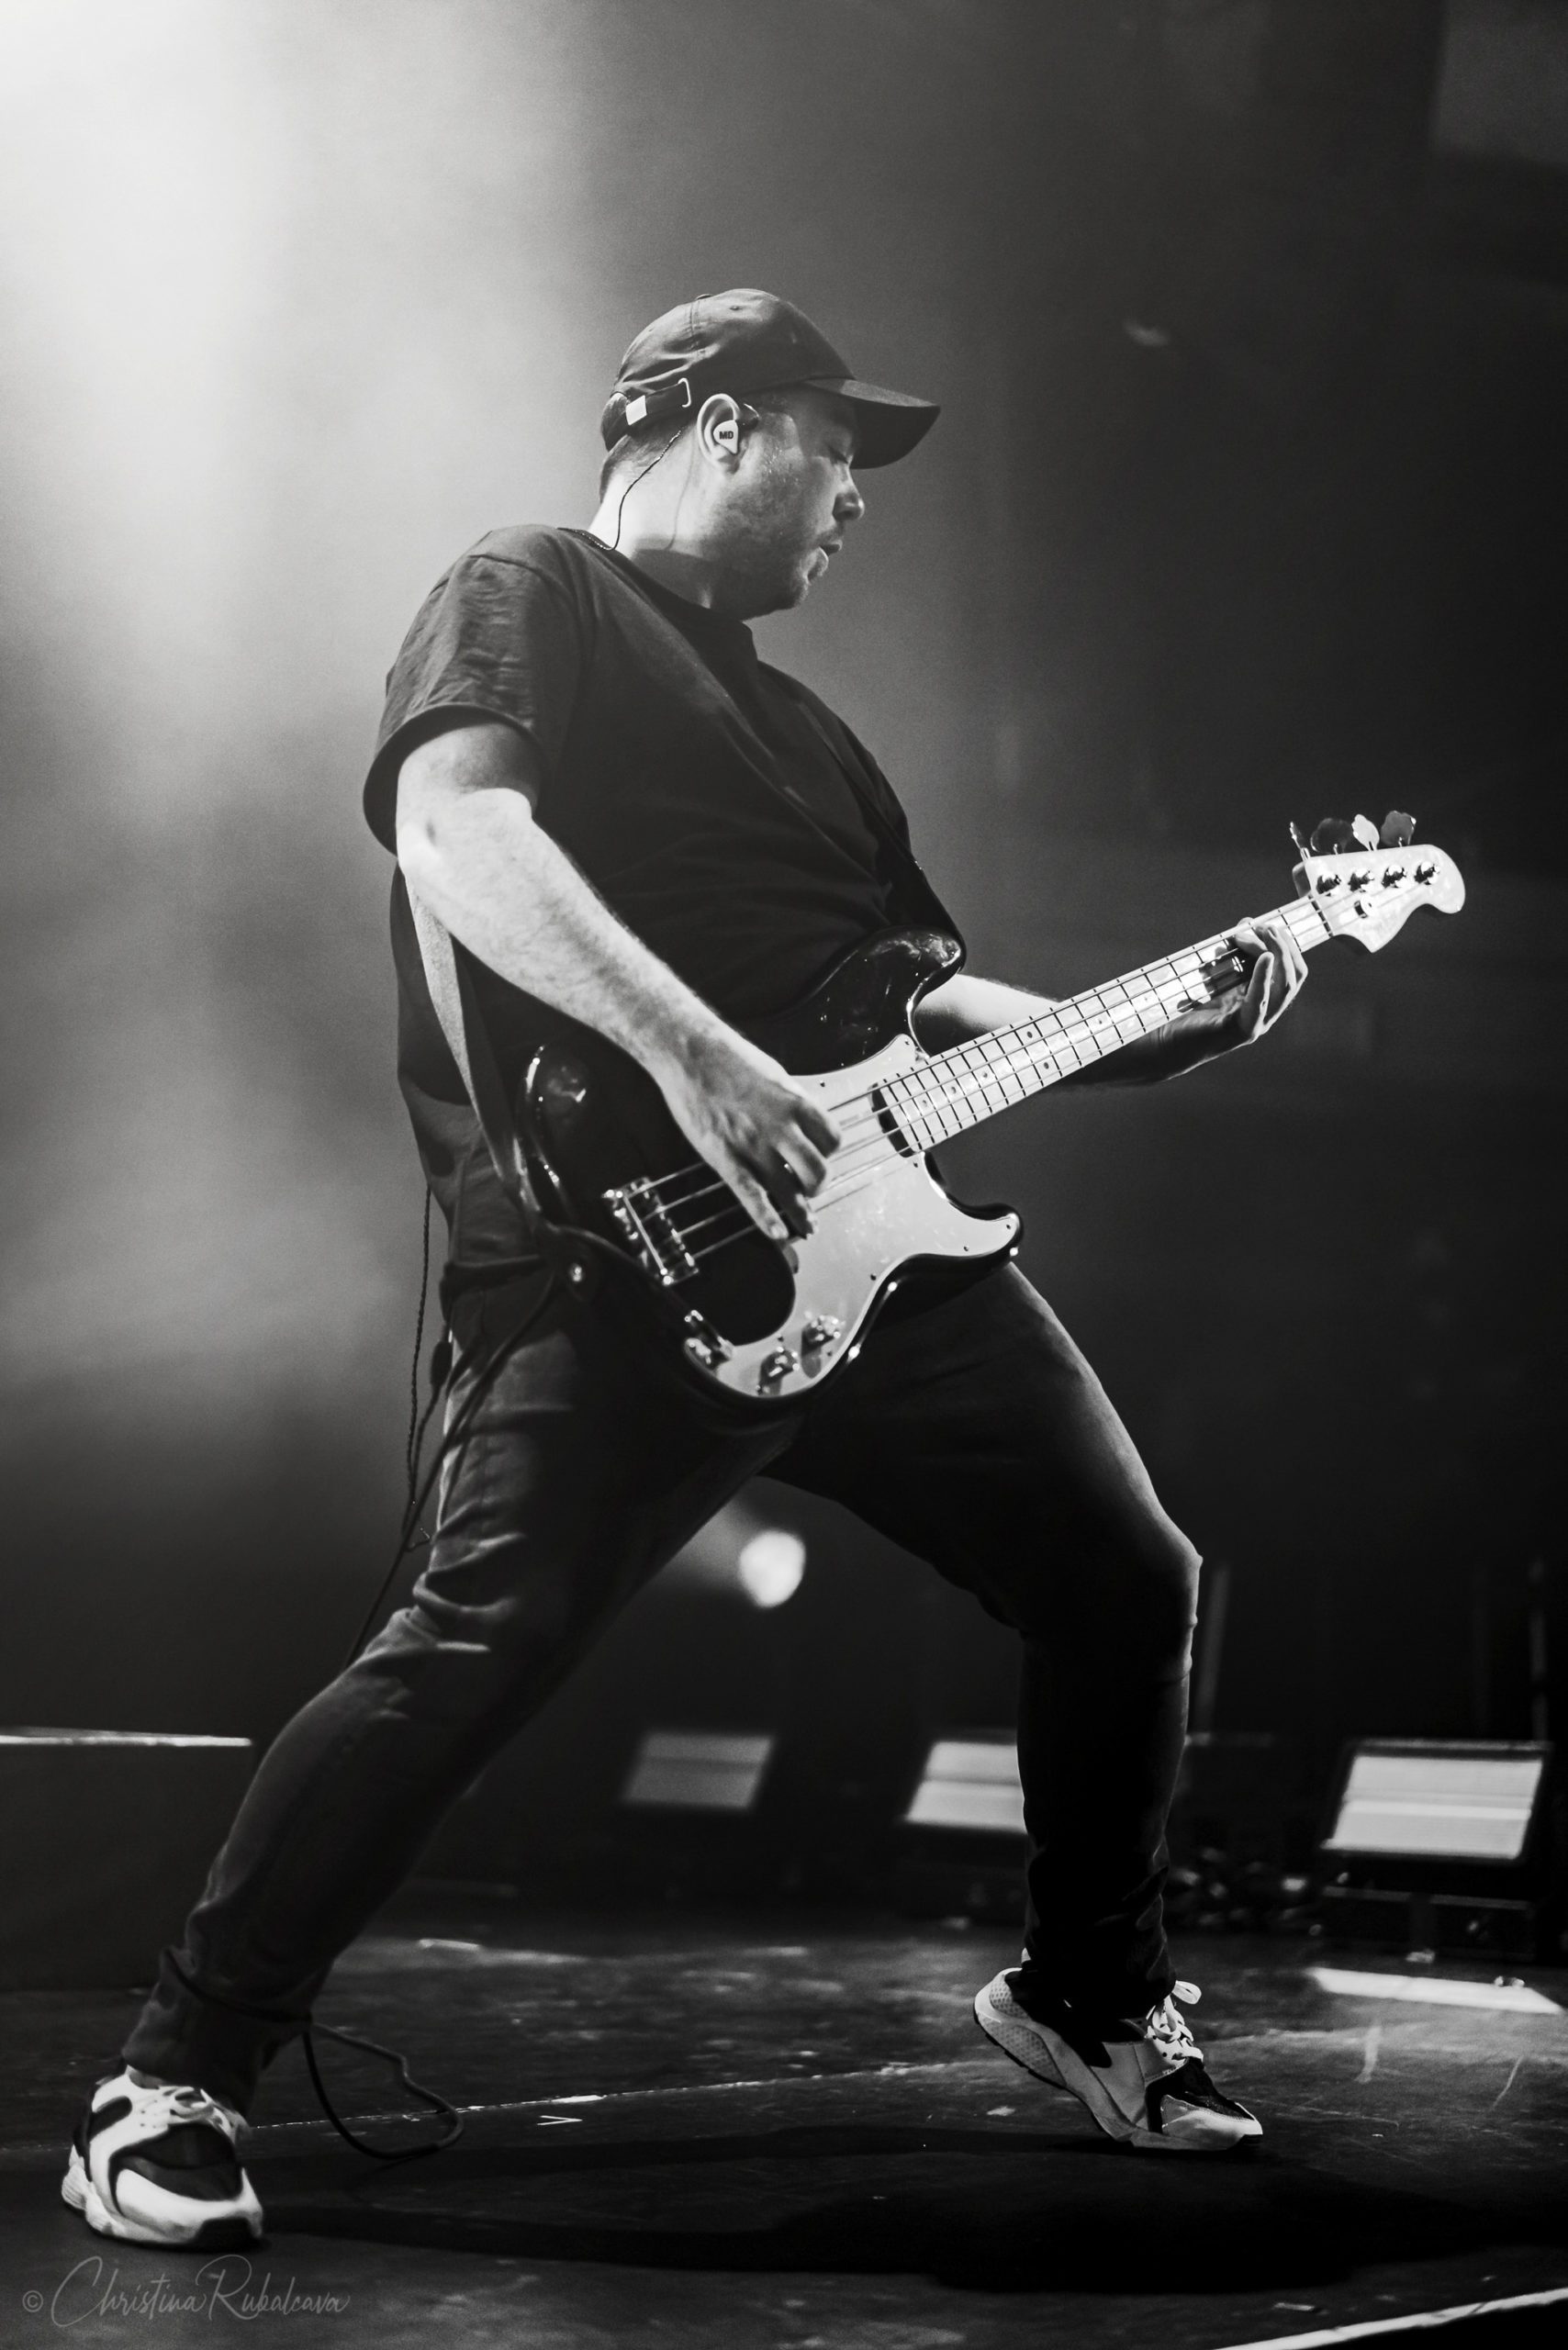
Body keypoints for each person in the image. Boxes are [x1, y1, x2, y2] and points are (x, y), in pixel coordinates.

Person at [63, 289, 1307, 2251]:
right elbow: (454, 831)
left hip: (879, 1260)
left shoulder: (820, 743)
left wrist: (1156, 1014)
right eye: (835, 449)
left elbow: (912, 1012)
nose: (856, 503)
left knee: (1123, 1570)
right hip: (612, 1242)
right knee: (474, 1641)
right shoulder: (530, 582)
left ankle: (1085, 1988)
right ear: (717, 422)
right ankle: (173, 2073)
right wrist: (703, 1064)